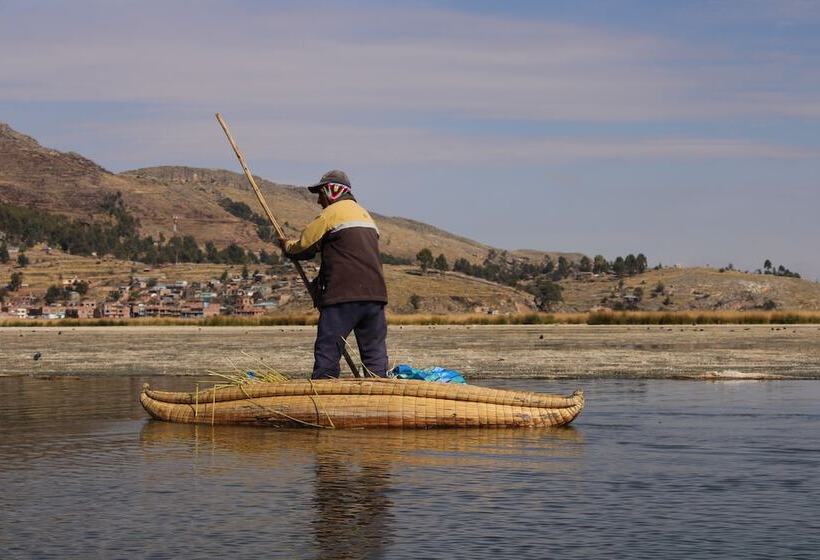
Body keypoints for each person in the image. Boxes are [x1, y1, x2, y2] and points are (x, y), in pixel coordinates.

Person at [281, 170, 389, 379]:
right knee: (374, 355)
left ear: (332, 191)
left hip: (344, 295)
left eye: (320, 194)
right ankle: (378, 389)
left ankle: (324, 390)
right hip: (375, 296)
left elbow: (304, 248)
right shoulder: (366, 216)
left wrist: (285, 245)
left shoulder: (331, 214)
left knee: (328, 350)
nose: (319, 201)